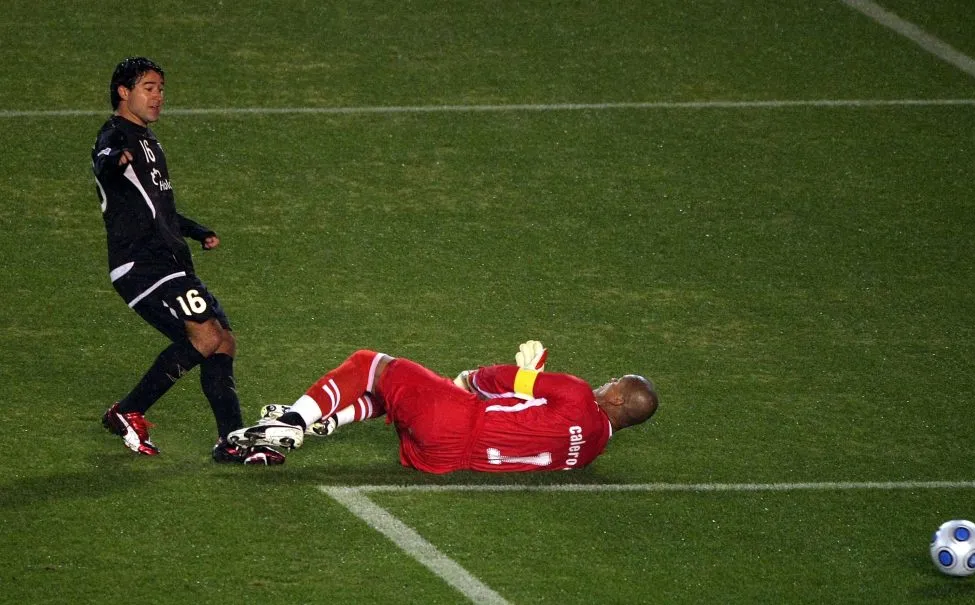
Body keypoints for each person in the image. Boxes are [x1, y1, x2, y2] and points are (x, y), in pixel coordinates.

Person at [91, 56, 282, 465]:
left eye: (161, 89)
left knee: (222, 341)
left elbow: (158, 209)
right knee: (206, 338)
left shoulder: (148, 141)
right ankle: (128, 410)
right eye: (148, 88)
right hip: (144, 264)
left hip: (171, 262)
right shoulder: (116, 134)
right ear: (124, 92)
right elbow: (104, 160)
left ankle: (230, 440)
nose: (158, 96)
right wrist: (114, 160)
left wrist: (195, 230)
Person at [228, 342, 658, 473]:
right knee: (399, 396)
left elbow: (504, 380)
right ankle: (331, 418)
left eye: (614, 383)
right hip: (444, 461)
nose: (606, 382)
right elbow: (531, 426)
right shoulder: (591, 451)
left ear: (617, 399)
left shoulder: (578, 393)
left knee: (371, 365)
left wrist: (468, 380)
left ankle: (292, 422)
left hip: (457, 419)